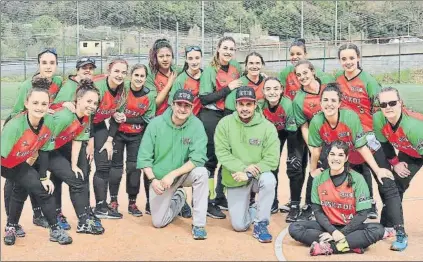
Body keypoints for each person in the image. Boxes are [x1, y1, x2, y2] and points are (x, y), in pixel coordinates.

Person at [308, 83, 407, 250]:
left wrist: (377, 170)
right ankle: (333, 224)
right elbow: (316, 150)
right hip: (345, 157)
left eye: (333, 100)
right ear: (320, 102)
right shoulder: (317, 121)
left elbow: (361, 147)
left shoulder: (349, 117)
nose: (329, 104)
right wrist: (312, 169)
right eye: (325, 100)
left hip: (368, 150)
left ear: (340, 103)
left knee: (388, 185)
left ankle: (400, 232)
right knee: (321, 179)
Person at [2, 78, 72, 246]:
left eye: (43, 103)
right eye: (35, 103)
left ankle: (14, 227)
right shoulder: (15, 125)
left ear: (49, 105)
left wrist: (43, 177)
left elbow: (45, 150)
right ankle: (15, 226)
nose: (39, 107)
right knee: (22, 186)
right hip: (4, 163)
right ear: (26, 103)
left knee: (35, 188)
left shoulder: (48, 122)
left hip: (21, 162)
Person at [289, 140, 385, 256]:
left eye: (340, 155)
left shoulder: (358, 179)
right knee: (295, 228)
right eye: (333, 154)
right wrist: (333, 231)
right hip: (328, 226)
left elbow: (363, 214)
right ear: (327, 156)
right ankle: (350, 245)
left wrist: (342, 233)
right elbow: (318, 212)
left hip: (351, 227)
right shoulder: (318, 179)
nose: (336, 158)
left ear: (346, 158)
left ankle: (330, 247)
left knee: (378, 229)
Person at [137, 89, 209, 240]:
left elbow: (198, 158)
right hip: (161, 179)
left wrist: (173, 174)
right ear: (172, 104)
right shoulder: (156, 124)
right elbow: (144, 157)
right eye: (179, 104)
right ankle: (179, 197)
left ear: (192, 107)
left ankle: (199, 224)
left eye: (187, 106)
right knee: (158, 222)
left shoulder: (197, 125)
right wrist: (153, 180)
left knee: (202, 173)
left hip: (183, 175)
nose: (182, 109)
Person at [35, 79, 104, 235]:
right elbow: (43, 140)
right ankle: (83, 221)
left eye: (95, 103)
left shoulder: (86, 117)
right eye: (89, 101)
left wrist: (73, 165)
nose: (92, 106)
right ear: (78, 99)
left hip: (55, 150)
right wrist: (42, 171)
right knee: (75, 182)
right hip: (43, 151)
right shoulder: (64, 116)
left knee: (74, 176)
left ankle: (80, 219)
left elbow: (77, 141)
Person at [4, 48, 63, 229]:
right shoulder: (27, 86)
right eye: (44, 62)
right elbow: (15, 114)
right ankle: (11, 222)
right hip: (20, 134)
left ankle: (38, 214)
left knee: (36, 175)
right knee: (14, 179)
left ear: (56, 65)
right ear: (38, 65)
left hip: (39, 136)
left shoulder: (58, 82)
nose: (48, 66)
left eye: (52, 63)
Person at [214, 86, 280, 243]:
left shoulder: (267, 127)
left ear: (255, 105)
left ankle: (261, 223)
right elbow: (222, 154)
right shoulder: (225, 124)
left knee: (269, 180)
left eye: (248, 104)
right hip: (236, 177)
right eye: (241, 104)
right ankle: (252, 208)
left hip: (256, 176)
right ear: (236, 105)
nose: (244, 108)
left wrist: (249, 173)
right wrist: (243, 168)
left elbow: (272, 159)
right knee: (239, 225)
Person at [277, 39, 332, 214]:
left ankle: (310, 203)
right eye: (292, 54)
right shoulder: (290, 83)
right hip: (298, 126)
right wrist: (312, 145)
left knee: (317, 164)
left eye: (298, 54)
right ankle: (294, 203)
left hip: (320, 130)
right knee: (295, 164)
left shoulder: (325, 82)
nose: (295, 57)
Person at [335, 43, 382, 218]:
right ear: (340, 61)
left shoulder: (368, 80)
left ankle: (371, 204)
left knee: (366, 167)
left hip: (367, 132)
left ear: (358, 58)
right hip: (346, 132)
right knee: (350, 168)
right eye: (344, 59)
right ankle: (355, 203)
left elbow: (378, 110)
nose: (348, 62)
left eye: (351, 58)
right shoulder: (339, 79)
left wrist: (374, 133)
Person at [373, 86, 423, 251]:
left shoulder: (413, 127)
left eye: (392, 103)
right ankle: (390, 227)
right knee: (395, 187)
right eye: (384, 104)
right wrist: (395, 162)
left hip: (419, 149)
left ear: (400, 103)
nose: (388, 107)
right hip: (408, 150)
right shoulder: (379, 119)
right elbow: (385, 143)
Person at [198, 36, 242, 219]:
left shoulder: (236, 69)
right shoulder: (210, 71)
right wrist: (228, 88)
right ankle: (207, 201)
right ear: (217, 49)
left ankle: (221, 196)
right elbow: (204, 98)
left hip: (229, 116)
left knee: (226, 157)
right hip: (211, 116)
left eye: (231, 49)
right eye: (225, 48)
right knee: (211, 159)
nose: (228, 52)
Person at [108, 64, 156, 217]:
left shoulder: (149, 96)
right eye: (136, 75)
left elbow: (147, 118)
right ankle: (113, 200)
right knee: (116, 168)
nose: (139, 79)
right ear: (131, 76)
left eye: (142, 76)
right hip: (119, 133)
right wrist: (115, 114)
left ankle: (132, 202)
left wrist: (126, 118)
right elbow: (112, 107)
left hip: (136, 135)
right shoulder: (123, 90)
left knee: (134, 168)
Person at [291, 60, 334, 221]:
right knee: (315, 170)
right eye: (298, 75)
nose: (302, 77)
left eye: (305, 73)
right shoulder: (298, 100)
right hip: (318, 140)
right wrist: (313, 147)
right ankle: (309, 205)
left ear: (313, 71)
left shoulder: (328, 87)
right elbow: (304, 127)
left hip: (337, 136)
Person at [91, 59, 128, 219]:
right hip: (81, 125)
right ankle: (83, 208)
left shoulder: (122, 90)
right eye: (117, 71)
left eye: (123, 72)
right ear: (109, 71)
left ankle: (100, 206)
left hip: (98, 124)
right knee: (83, 166)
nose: (120, 75)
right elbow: (86, 115)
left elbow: (116, 117)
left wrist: (109, 140)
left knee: (104, 163)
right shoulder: (98, 86)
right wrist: (89, 141)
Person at [261, 77, 302, 219]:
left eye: (275, 88)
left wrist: (292, 155)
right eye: (268, 89)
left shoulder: (287, 104)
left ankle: (295, 205)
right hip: (273, 134)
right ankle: (272, 200)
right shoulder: (260, 105)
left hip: (291, 132)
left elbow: (291, 132)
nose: (272, 92)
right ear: (263, 92)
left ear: (281, 90)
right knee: (272, 165)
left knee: (294, 165)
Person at [145, 38, 177, 116]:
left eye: (168, 55)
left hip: (175, 117)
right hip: (157, 118)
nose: (165, 59)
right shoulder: (150, 75)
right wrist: (169, 84)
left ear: (172, 56)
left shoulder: (177, 71)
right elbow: (154, 104)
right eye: (161, 56)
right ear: (156, 57)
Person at [168, 45, 203, 116]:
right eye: (190, 58)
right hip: (185, 117)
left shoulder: (206, 76)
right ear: (186, 59)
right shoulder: (180, 80)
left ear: (201, 58)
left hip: (203, 117)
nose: (194, 62)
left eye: (197, 58)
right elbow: (171, 103)